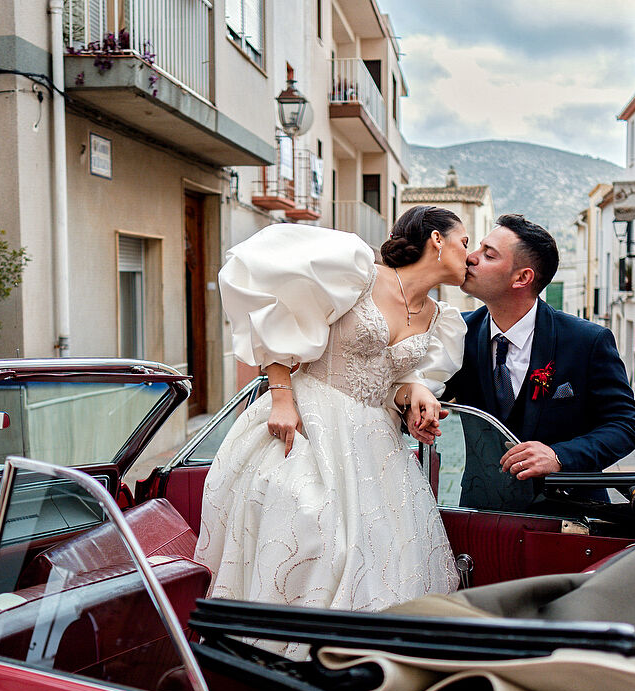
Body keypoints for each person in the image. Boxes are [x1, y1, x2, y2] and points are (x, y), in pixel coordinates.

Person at [194, 207, 470, 659]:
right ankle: (275, 659)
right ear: (437, 240)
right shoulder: (358, 272)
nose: (470, 255)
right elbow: (278, 310)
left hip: (377, 446)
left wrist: (414, 396)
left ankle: (363, 665)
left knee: (387, 559)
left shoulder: (442, 319)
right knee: (310, 530)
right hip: (307, 420)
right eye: (464, 242)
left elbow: (394, 385)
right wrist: (281, 396)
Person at [445, 214, 635, 509]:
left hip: (568, 515)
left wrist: (559, 456)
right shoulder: (457, 333)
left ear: (522, 278)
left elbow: (626, 424)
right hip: (481, 511)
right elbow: (425, 396)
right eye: (477, 248)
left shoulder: (587, 341)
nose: (470, 258)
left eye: (488, 254)